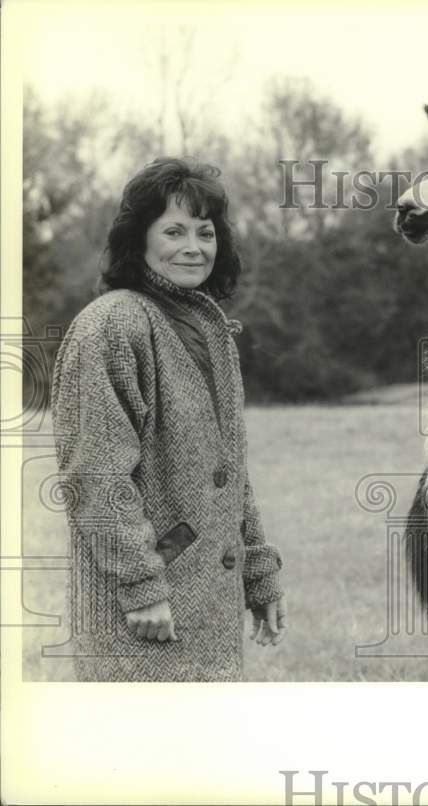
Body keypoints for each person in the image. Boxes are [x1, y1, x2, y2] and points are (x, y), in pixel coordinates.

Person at [51, 158, 286, 681]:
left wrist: (259, 577)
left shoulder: (211, 330)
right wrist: (142, 584)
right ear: (139, 239)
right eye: (174, 230)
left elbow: (228, 473)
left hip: (209, 602)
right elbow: (95, 475)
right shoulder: (111, 326)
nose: (193, 246)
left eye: (206, 232)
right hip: (143, 610)